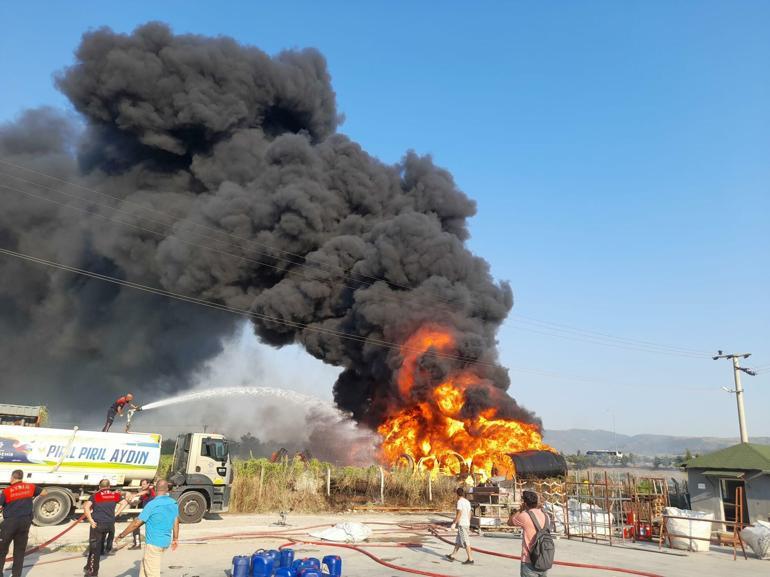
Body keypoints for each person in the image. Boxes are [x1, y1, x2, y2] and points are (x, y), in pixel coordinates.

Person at [117, 479, 179, 577]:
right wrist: (175, 539)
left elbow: (136, 523)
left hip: (154, 543)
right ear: (167, 489)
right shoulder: (173, 503)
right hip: (165, 541)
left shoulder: (152, 504)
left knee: (152, 573)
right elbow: (176, 521)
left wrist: (122, 535)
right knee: (145, 568)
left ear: (155, 488)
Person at [0, 469, 44, 577]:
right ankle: (16, 575)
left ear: (12, 478)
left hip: (10, 523)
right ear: (21, 478)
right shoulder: (30, 487)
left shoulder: (7, 491)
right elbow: (44, 492)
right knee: (19, 552)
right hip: (25, 522)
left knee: (2, 550)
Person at [84, 479, 128, 577]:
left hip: (98, 524)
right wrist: (116, 513)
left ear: (99, 486)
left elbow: (86, 507)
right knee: (97, 546)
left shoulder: (95, 496)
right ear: (109, 487)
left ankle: (92, 572)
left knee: (95, 547)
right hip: (109, 524)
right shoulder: (115, 495)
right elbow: (124, 503)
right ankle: (88, 566)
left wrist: (90, 520)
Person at [508, 490, 551, 577]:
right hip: (543, 559)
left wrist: (520, 510)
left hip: (529, 561)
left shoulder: (524, 516)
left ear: (525, 503)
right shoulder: (546, 515)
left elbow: (509, 522)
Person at [445, 487, 474, 564]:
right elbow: (470, 513)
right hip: (466, 523)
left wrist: (454, 523)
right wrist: (468, 522)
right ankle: (453, 555)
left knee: (465, 541)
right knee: (458, 540)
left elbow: (459, 513)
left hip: (462, 524)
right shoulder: (467, 502)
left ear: (457, 494)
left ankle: (470, 559)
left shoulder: (459, 502)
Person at [130, 479, 156, 549]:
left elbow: (145, 492)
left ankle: (153, 544)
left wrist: (135, 494)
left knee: (150, 529)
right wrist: (130, 503)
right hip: (145, 513)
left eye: (144, 484)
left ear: (148, 484)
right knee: (135, 526)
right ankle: (137, 544)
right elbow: (139, 501)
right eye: (142, 484)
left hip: (151, 513)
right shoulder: (143, 493)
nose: (142, 485)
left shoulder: (150, 490)